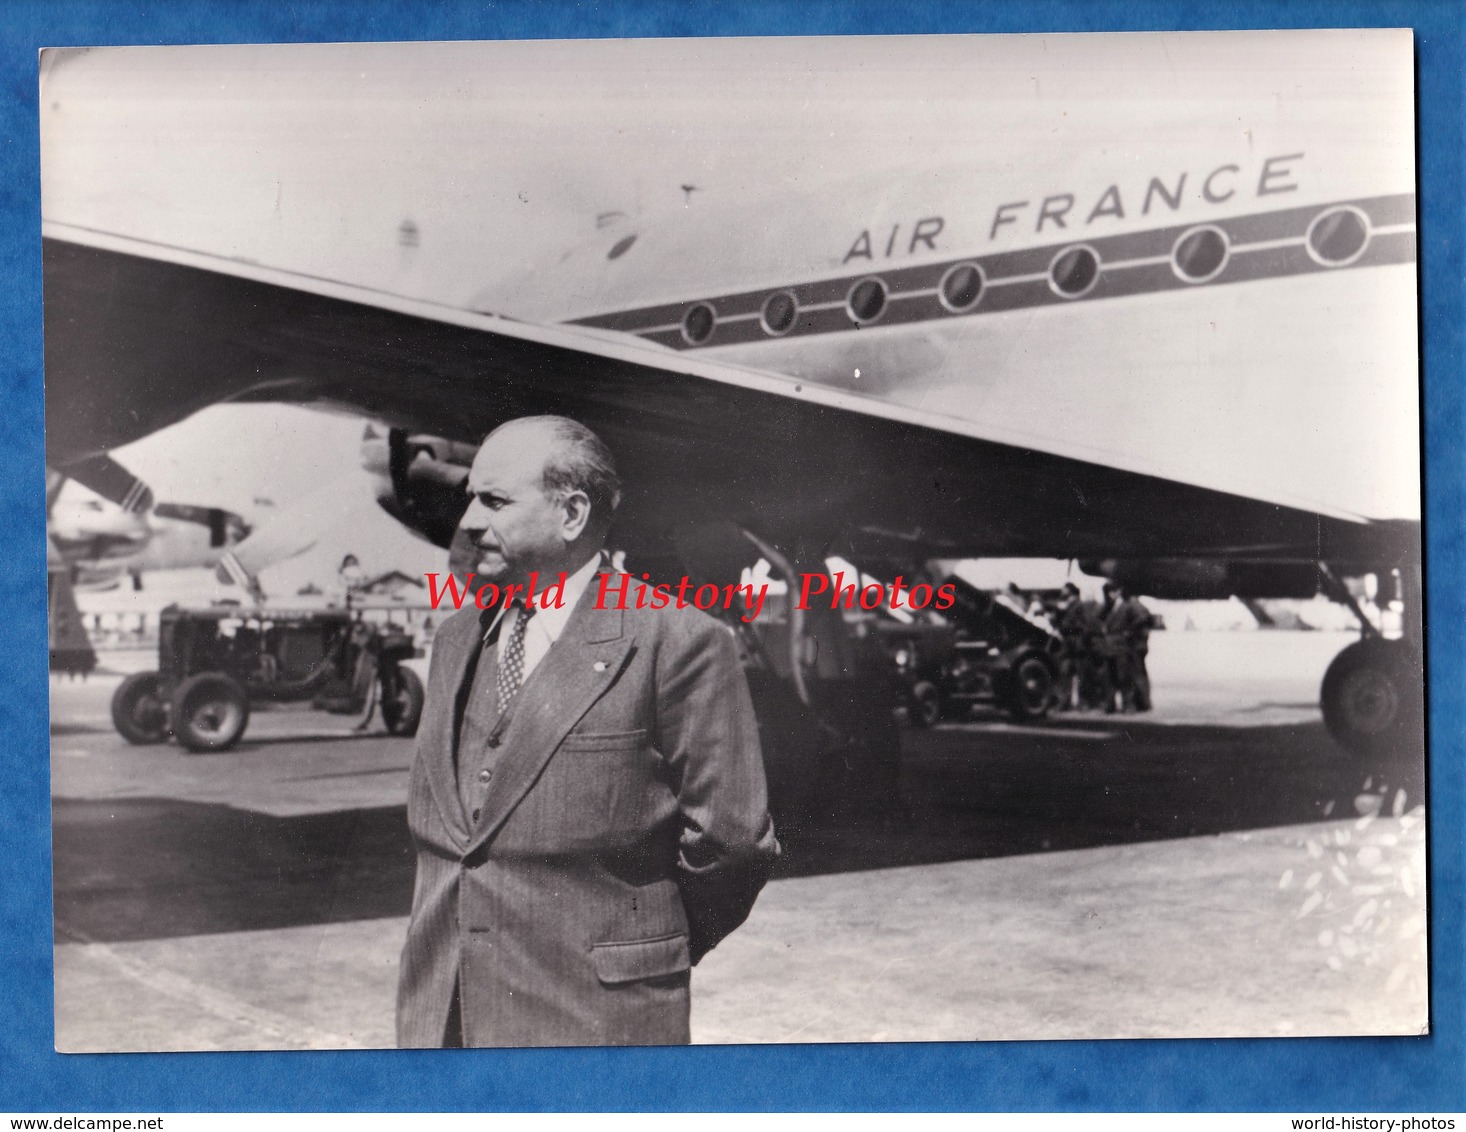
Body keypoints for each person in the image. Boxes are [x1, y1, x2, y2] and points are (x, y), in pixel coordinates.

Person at [395, 415, 779, 1048]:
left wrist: (636, 948)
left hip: (595, 1026)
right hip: (444, 1020)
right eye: (469, 498)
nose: (466, 521)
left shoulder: (678, 643)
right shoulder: (456, 639)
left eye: (493, 501)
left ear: (571, 514)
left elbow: (733, 843)